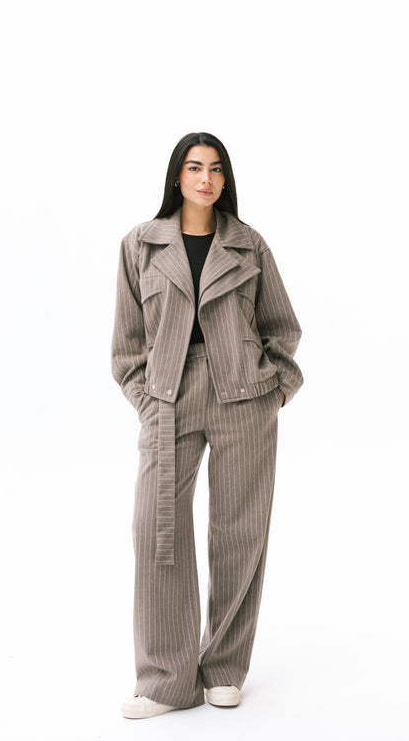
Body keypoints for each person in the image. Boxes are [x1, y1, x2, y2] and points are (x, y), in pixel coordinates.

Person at [110, 131, 303, 719]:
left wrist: (275, 390)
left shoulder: (248, 245)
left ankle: (223, 667)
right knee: (157, 530)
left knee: (239, 533)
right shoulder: (141, 244)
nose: (206, 179)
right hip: (168, 396)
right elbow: (127, 342)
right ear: (177, 176)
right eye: (195, 168)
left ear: (226, 179)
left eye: (216, 169)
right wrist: (145, 397)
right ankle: (167, 680)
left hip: (244, 395)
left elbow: (282, 328)